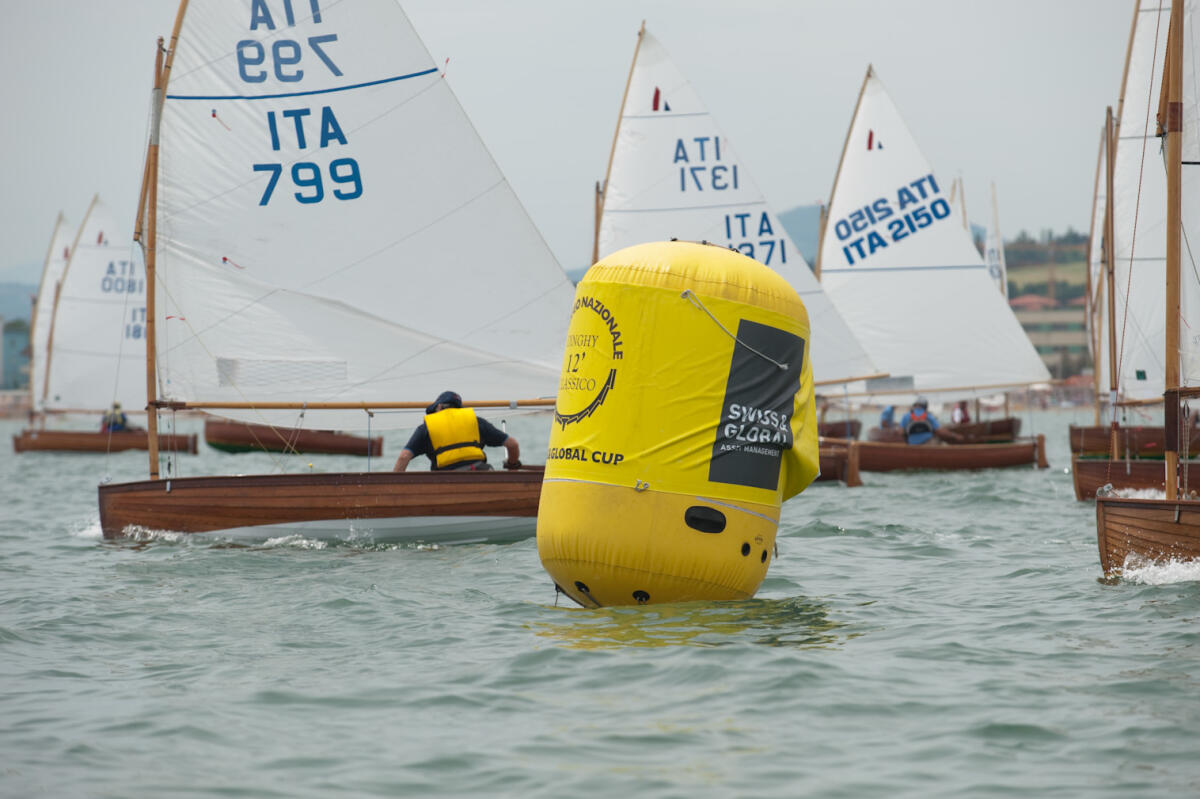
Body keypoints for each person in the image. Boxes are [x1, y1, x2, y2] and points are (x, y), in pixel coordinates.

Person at [392, 390, 521, 472]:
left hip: (446, 481)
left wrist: (394, 488)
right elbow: (512, 444)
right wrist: (512, 464)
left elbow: (403, 457)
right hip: (480, 474)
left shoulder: (426, 428)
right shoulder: (476, 422)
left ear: (438, 406)